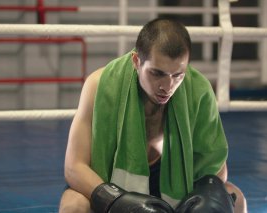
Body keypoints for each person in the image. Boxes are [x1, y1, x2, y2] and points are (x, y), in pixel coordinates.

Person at [59, 18, 247, 213]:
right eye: (157, 73)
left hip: (176, 185)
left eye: (177, 75)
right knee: (74, 206)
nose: (167, 87)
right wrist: (114, 199)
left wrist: (204, 196)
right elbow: (74, 167)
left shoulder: (198, 91)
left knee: (236, 199)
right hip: (110, 181)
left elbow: (215, 167)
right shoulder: (99, 85)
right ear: (136, 61)